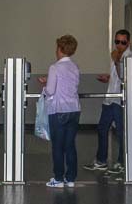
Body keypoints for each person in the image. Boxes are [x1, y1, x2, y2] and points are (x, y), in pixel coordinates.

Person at [83, 29, 132, 174]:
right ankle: (101, 161)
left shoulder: (128, 56)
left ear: (128, 42)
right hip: (110, 97)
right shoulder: (116, 55)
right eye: (117, 41)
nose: (119, 45)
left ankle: (122, 162)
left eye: (123, 42)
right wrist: (108, 78)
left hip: (119, 100)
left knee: (121, 132)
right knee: (102, 128)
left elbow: (124, 77)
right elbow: (116, 77)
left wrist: (117, 61)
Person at [38, 35, 81, 188]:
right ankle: (70, 179)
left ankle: (58, 178)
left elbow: (50, 91)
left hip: (58, 110)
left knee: (58, 146)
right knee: (70, 145)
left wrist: (45, 85)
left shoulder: (54, 67)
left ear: (60, 49)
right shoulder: (75, 67)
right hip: (74, 110)